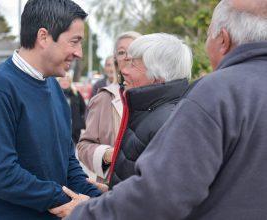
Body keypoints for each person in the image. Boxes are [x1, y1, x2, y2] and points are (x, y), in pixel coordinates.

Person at [66, 0, 267, 219]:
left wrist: (83, 214)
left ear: (223, 40)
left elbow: (161, 196)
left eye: (208, 34)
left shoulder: (218, 93)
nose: (124, 70)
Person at [0, 0, 101, 219]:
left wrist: (99, 201)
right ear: (43, 37)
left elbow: (67, 161)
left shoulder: (53, 87)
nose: (79, 53)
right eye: (74, 42)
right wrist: (65, 200)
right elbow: (0, 173)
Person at [108, 33, 192, 187]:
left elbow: (156, 200)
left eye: (133, 64)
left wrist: (99, 206)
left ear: (157, 76)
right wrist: (110, 195)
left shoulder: (168, 123)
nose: (124, 71)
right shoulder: (150, 111)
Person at [76, 32, 141, 182]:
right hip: (112, 190)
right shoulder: (104, 98)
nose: (127, 56)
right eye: (121, 52)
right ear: (116, 61)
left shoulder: (157, 96)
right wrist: (106, 155)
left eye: (133, 50)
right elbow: (83, 146)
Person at [58, 74, 86, 144]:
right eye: (62, 80)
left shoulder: (76, 94)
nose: (64, 82)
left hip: (75, 129)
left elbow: (83, 108)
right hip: (60, 128)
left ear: (70, 82)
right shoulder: (55, 94)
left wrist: (80, 121)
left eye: (67, 80)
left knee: (74, 149)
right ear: (58, 82)